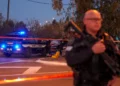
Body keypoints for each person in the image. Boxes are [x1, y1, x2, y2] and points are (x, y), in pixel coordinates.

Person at [65, 9, 120, 86]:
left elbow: (116, 58)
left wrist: (114, 75)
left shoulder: (107, 39)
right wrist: (91, 51)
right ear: (85, 21)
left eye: (98, 19)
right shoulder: (76, 40)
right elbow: (70, 60)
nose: (96, 22)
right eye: (92, 19)